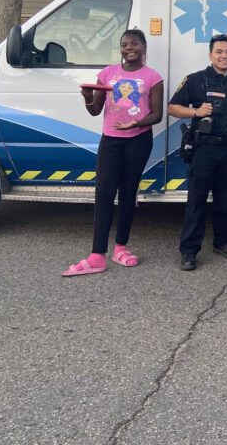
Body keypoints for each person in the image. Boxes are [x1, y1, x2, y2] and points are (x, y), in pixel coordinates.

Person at [62, 29, 163, 276]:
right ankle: (97, 255)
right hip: (111, 140)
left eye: (135, 43)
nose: (130, 47)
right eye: (125, 44)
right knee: (104, 193)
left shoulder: (153, 77)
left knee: (128, 193)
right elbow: (96, 110)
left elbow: (157, 114)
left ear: (144, 47)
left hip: (138, 140)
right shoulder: (107, 74)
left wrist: (135, 124)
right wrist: (87, 97)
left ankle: (121, 248)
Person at [169, 34, 227, 271]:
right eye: (219, 52)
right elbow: (172, 107)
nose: (224, 56)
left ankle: (223, 242)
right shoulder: (195, 81)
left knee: (224, 201)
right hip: (204, 150)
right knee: (196, 201)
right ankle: (189, 251)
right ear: (210, 55)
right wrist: (195, 112)